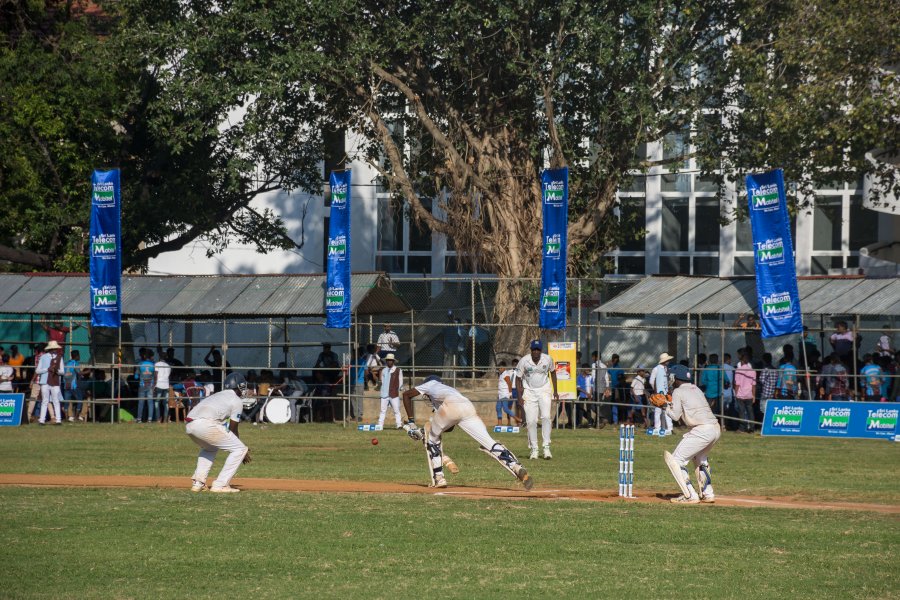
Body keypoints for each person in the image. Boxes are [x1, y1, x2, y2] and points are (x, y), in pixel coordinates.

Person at [400, 375, 532, 490]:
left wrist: (412, 424)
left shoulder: (430, 384)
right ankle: (516, 466)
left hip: (451, 406)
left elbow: (406, 395)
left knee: (432, 438)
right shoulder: (448, 390)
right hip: (467, 407)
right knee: (489, 442)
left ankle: (439, 477)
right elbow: (449, 427)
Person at [185, 373, 258, 493]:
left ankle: (198, 483)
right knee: (240, 449)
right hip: (205, 424)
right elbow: (233, 429)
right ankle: (221, 484)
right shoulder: (236, 400)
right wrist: (241, 450)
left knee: (210, 448)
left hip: (190, 425)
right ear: (239, 387)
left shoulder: (217, 395)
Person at [660, 364, 720, 504]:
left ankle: (690, 495)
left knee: (675, 460)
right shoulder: (696, 388)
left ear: (675, 378)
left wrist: (664, 406)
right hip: (715, 429)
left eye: (671, 377)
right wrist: (669, 403)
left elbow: (675, 416)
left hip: (702, 430)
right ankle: (708, 493)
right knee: (700, 458)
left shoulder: (678, 391)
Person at [515, 340, 559, 460]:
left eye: (538, 350)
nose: (536, 352)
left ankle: (546, 447)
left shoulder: (547, 359)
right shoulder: (524, 361)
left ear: (541, 350)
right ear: (531, 350)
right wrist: (519, 397)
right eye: (534, 349)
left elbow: (553, 373)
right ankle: (534, 449)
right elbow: (518, 379)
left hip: (544, 390)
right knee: (531, 421)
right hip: (529, 391)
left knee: (545, 417)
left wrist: (555, 391)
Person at [35, 340, 65, 425]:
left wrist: (57, 371)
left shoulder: (59, 357)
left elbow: (62, 371)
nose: (54, 349)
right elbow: (37, 370)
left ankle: (58, 420)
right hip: (45, 381)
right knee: (45, 401)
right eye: (53, 348)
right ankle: (42, 420)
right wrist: (47, 369)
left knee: (56, 400)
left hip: (55, 381)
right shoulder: (43, 357)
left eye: (55, 348)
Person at [648, 352, 675, 436]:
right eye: (667, 360)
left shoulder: (666, 369)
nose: (668, 361)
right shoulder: (656, 369)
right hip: (659, 393)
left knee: (667, 410)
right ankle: (657, 428)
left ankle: (669, 428)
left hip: (666, 393)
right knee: (658, 410)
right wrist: (656, 391)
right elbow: (651, 381)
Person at [377, 354, 404, 429]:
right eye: (388, 360)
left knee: (396, 410)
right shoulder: (384, 370)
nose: (389, 362)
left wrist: (397, 389)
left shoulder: (398, 370)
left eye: (390, 360)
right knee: (382, 410)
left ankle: (399, 425)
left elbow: (400, 381)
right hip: (384, 393)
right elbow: (382, 381)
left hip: (394, 393)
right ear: (386, 361)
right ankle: (380, 425)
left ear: (393, 361)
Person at [733, 351, 757, 433]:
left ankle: (742, 428)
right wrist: (754, 395)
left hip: (740, 394)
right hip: (749, 394)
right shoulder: (753, 371)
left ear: (741, 361)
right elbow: (753, 385)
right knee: (750, 411)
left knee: (741, 411)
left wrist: (735, 393)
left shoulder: (738, 370)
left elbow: (737, 384)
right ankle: (752, 428)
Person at [63, 349, 87, 422]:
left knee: (67, 401)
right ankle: (77, 417)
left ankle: (67, 417)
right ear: (76, 356)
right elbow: (79, 373)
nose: (79, 357)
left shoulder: (67, 363)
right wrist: (88, 371)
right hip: (73, 386)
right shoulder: (75, 363)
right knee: (80, 399)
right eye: (79, 356)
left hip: (66, 385)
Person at [591, 351, 611, 428]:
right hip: (603, 387)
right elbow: (606, 377)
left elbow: (593, 376)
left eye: (593, 357)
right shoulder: (604, 365)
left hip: (597, 387)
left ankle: (602, 418)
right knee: (599, 404)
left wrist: (592, 386)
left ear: (595, 357)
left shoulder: (594, 365)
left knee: (594, 405)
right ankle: (598, 423)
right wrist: (607, 387)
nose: (592, 358)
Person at [135, 348, 156, 423]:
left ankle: (139, 419)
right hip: (150, 385)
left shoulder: (140, 364)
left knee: (141, 402)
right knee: (150, 402)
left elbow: (136, 376)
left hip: (142, 385)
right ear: (151, 356)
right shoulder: (153, 364)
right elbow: (155, 375)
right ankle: (150, 419)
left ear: (144, 355)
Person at [496, 361, 518, 426]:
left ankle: (517, 419)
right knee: (498, 408)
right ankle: (499, 424)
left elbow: (509, 384)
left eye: (500, 368)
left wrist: (510, 394)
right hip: (500, 394)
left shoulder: (506, 374)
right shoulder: (501, 374)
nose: (499, 369)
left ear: (504, 368)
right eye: (498, 368)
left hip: (505, 394)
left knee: (505, 409)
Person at [575, 364, 596, 428]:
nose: (588, 370)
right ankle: (579, 423)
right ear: (583, 370)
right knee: (580, 410)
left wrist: (590, 394)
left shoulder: (590, 377)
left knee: (588, 409)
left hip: (589, 396)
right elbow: (578, 388)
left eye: (588, 369)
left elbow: (592, 386)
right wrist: (586, 393)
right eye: (587, 369)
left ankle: (590, 423)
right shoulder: (579, 377)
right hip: (582, 395)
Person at [153, 353, 172, 423]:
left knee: (157, 402)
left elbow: (156, 376)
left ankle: (158, 419)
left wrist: (153, 386)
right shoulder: (168, 366)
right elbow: (169, 377)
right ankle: (165, 419)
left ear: (159, 357)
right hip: (166, 385)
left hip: (159, 385)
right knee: (166, 403)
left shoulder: (157, 364)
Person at [608, 354, 624, 424]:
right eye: (613, 359)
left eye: (616, 359)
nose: (614, 360)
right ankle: (614, 420)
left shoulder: (619, 369)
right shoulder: (611, 369)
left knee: (618, 403)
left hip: (618, 388)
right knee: (613, 404)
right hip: (613, 388)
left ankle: (618, 420)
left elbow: (622, 379)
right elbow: (607, 372)